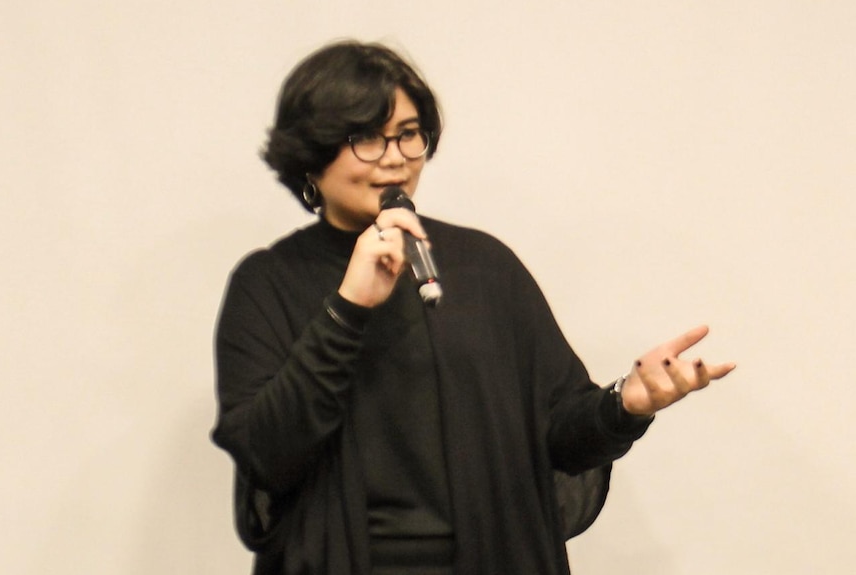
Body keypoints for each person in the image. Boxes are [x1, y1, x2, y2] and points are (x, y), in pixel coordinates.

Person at [211, 39, 736, 575]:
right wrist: (348, 308)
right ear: (312, 153)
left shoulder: (483, 267)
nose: (393, 158)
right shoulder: (267, 284)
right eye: (366, 137)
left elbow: (557, 437)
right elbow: (266, 452)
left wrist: (626, 403)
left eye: (408, 135)